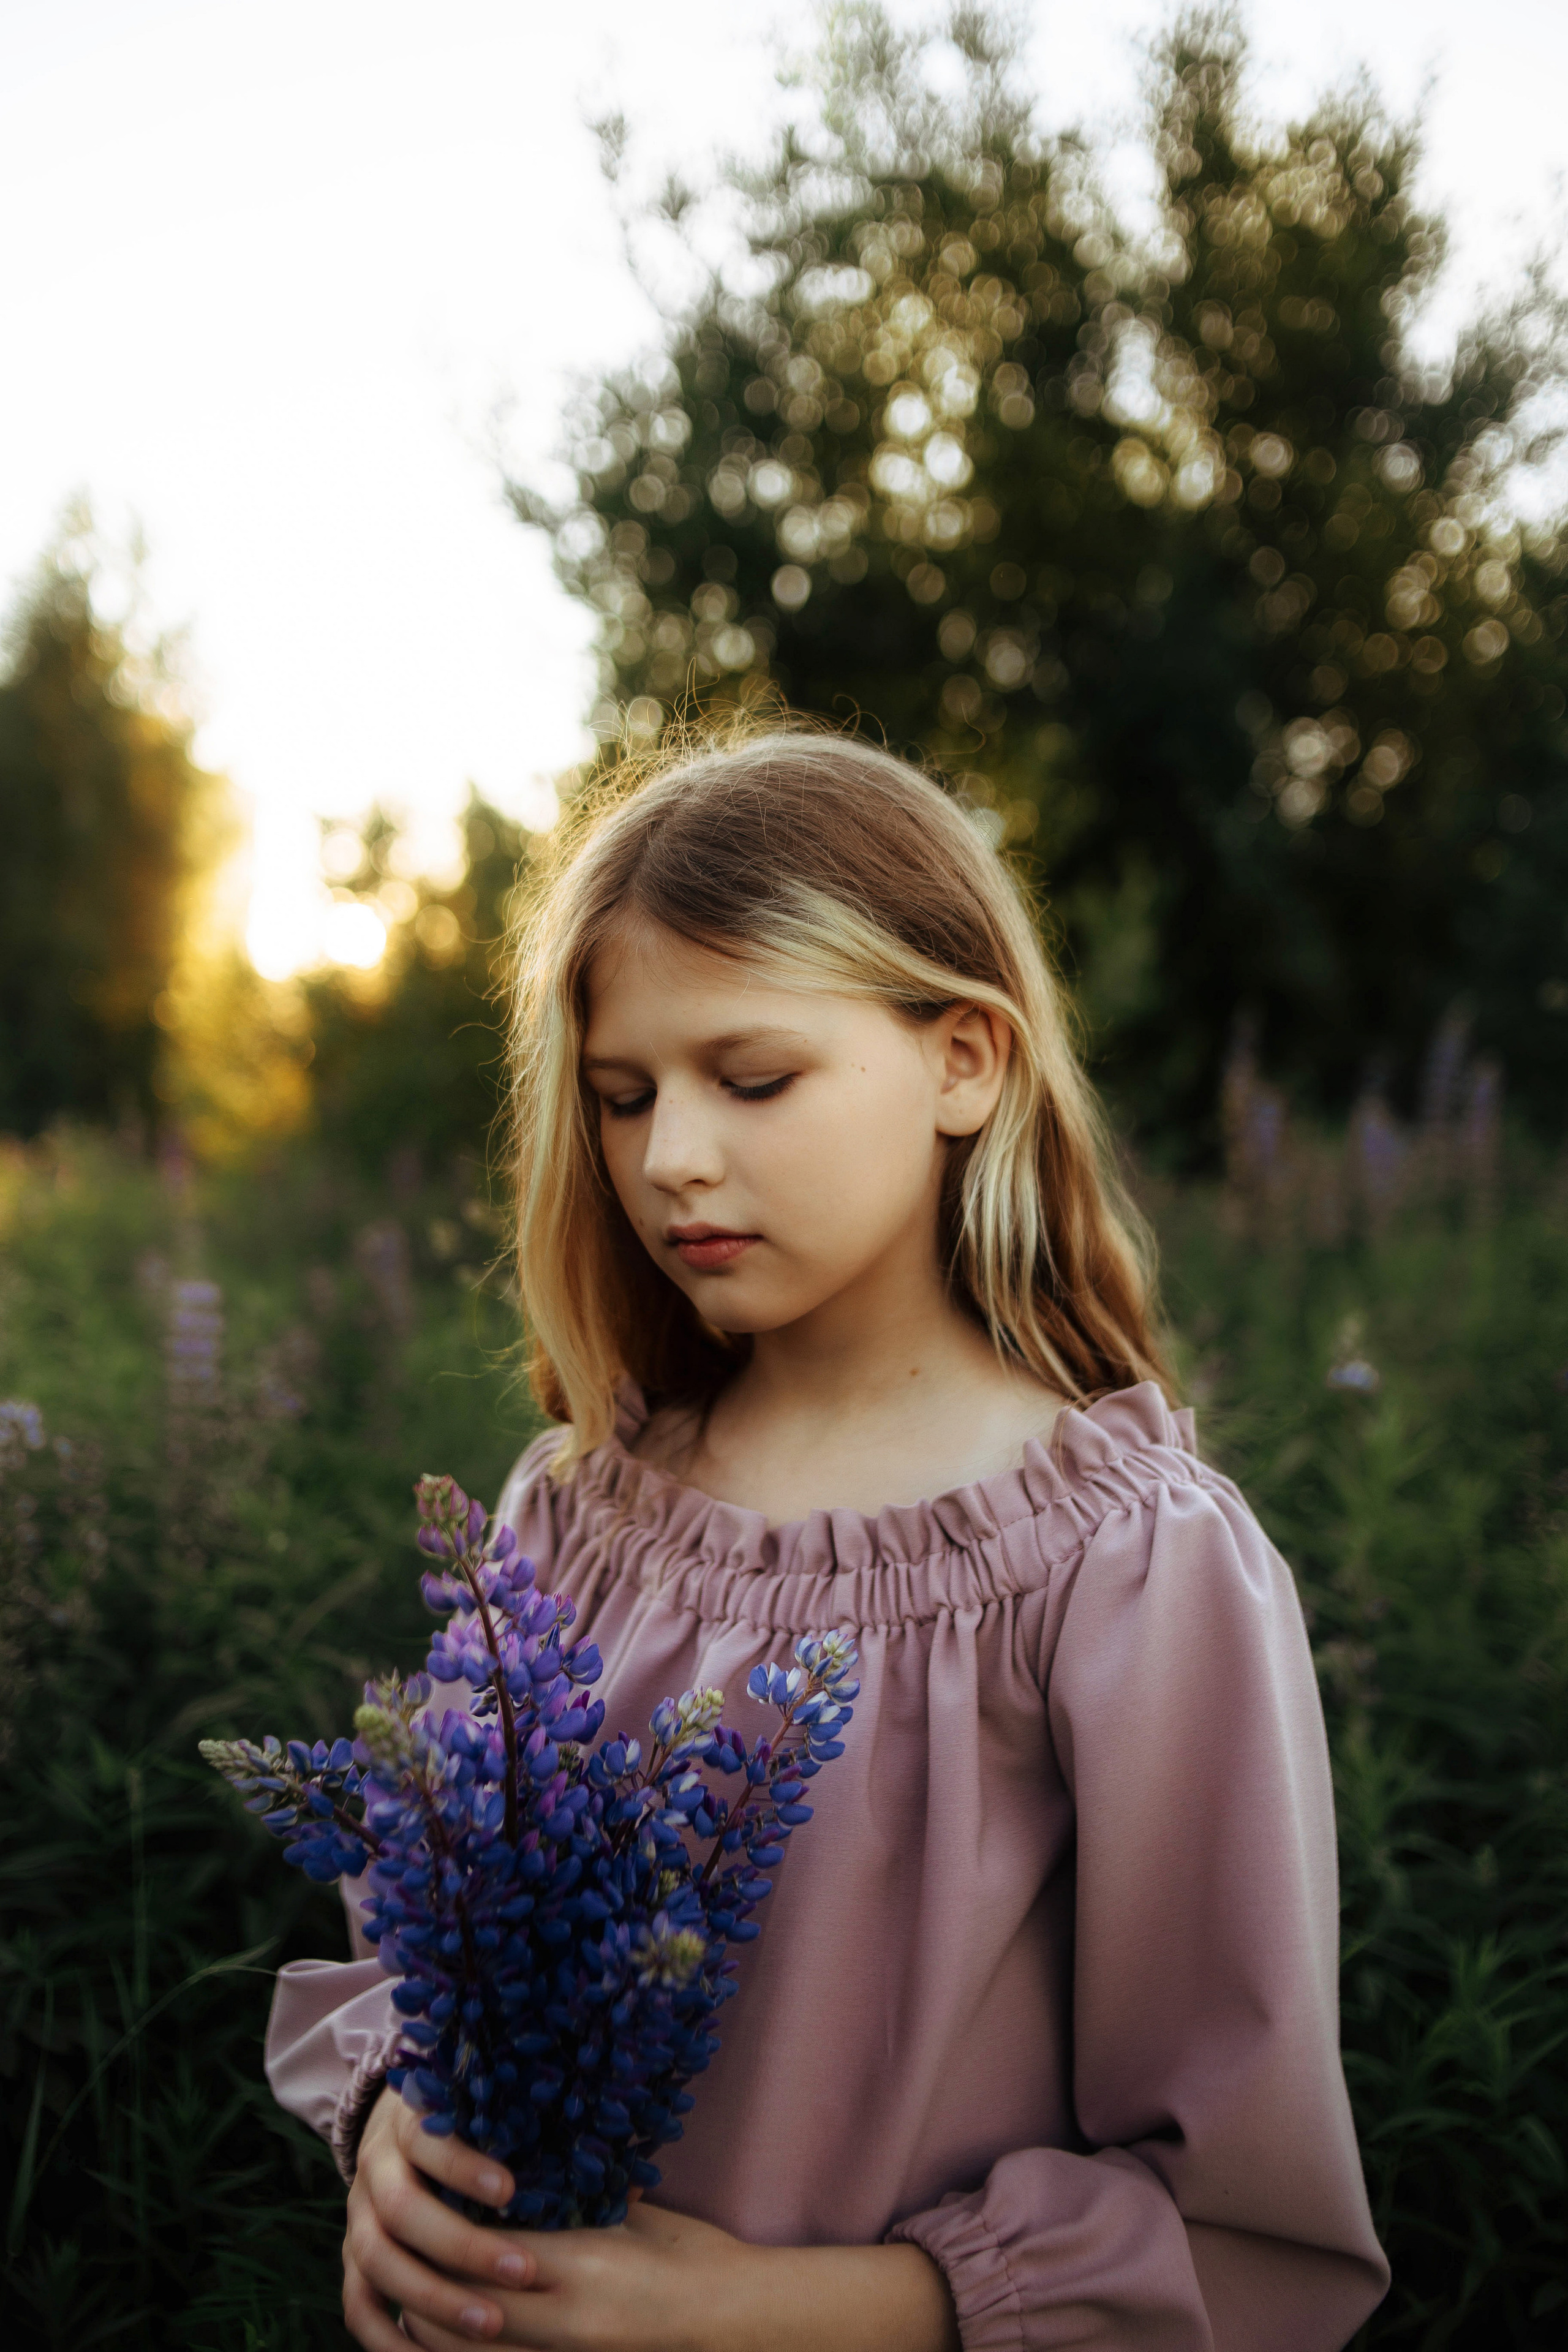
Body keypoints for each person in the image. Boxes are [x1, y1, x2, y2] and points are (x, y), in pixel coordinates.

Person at [266, 723, 1390, 2351]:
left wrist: (769, 2314)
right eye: (623, 1097)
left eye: (754, 1079)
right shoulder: (571, 1514)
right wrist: (392, 2124)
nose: (671, 1158)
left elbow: (1243, 2233)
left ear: (965, 1061)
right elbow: (424, 1939)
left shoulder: (1128, 1567)